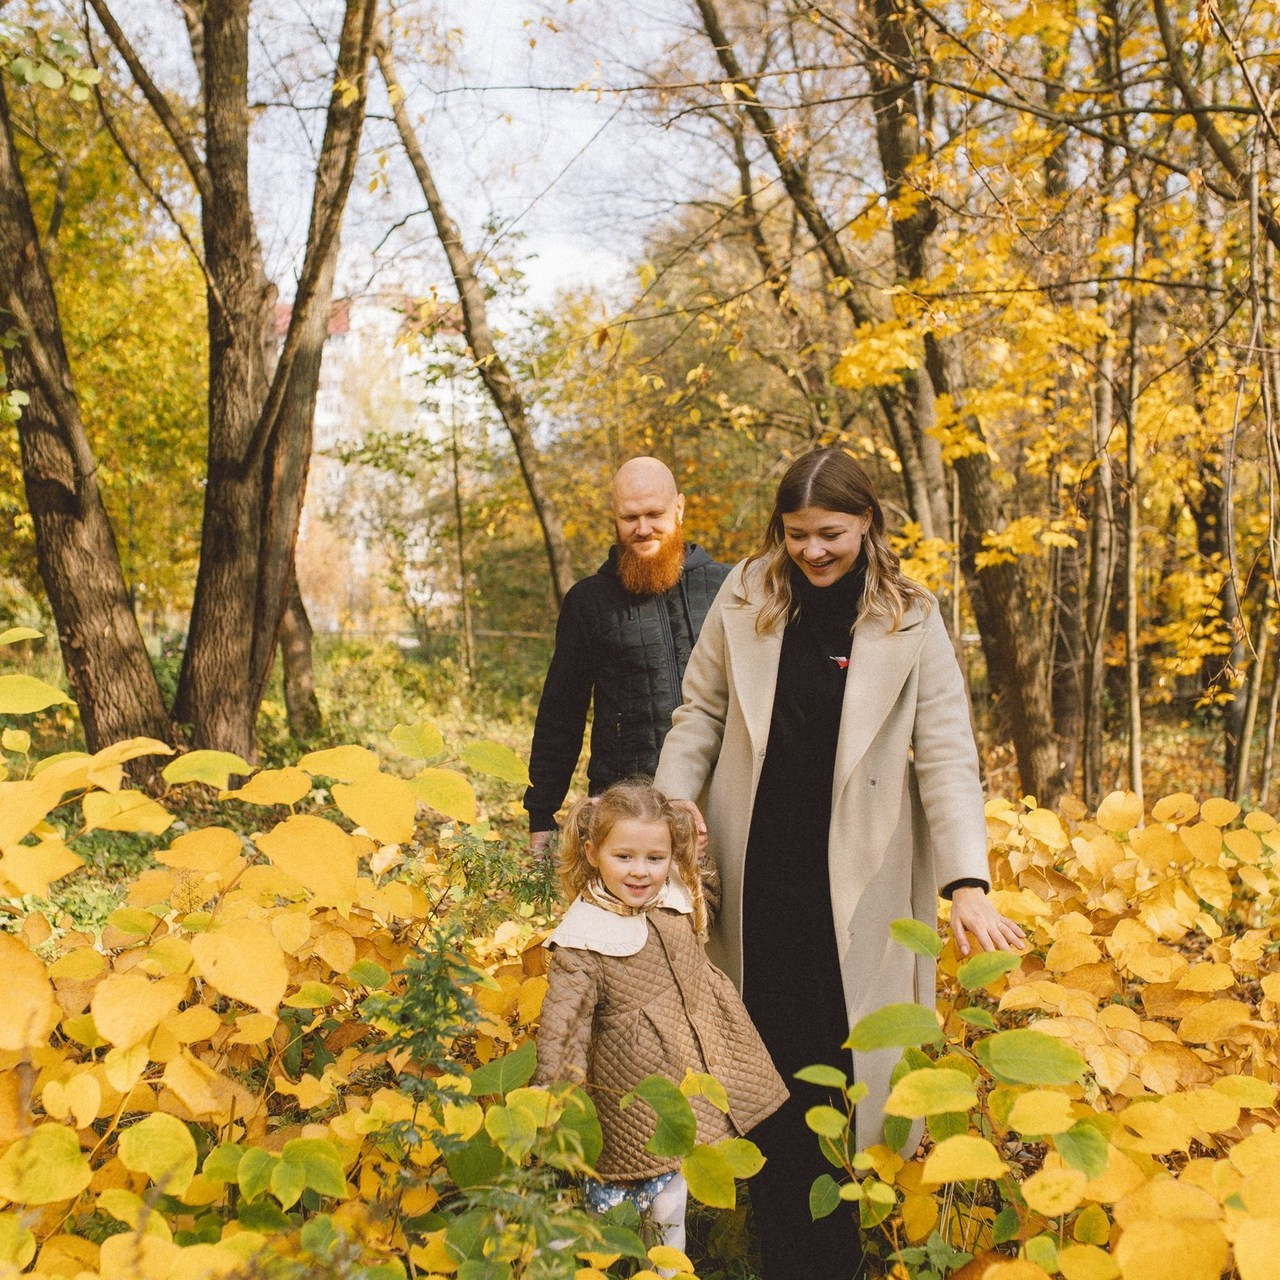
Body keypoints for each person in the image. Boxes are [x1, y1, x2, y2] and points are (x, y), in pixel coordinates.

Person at [653, 448, 1025, 1280]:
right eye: (797, 535)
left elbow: (947, 756)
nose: (813, 552)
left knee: (846, 1072)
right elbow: (700, 712)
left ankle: (834, 1256)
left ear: (868, 523)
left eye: (831, 534)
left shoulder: (911, 618)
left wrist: (967, 882)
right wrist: (674, 806)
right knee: (767, 1071)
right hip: (754, 879)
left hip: (861, 890)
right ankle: (787, 1251)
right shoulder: (745, 594)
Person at [533, 779, 787, 1263]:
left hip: (685, 1073)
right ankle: (586, 1259)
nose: (640, 872)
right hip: (632, 1090)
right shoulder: (585, 939)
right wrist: (551, 1098)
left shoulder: (674, 896)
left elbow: (703, 901)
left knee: (671, 1195)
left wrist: (699, 858)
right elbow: (564, 1025)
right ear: (592, 853)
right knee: (615, 1200)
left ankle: (666, 1266)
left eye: (655, 858)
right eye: (623, 857)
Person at [523, 457, 731, 853]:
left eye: (655, 514)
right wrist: (541, 815)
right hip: (624, 809)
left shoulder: (728, 587)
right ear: (614, 517)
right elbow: (560, 714)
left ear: (680, 508)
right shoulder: (588, 602)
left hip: (719, 800)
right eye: (629, 517)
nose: (643, 528)